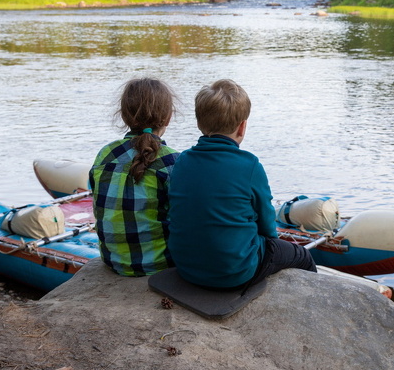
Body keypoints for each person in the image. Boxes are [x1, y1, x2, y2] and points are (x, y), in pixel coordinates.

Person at [167, 79, 316, 290]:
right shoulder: (250, 166)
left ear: (200, 123)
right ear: (242, 126)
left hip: (186, 267)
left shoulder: (182, 161)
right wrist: (272, 244)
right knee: (302, 255)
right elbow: (266, 223)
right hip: (235, 272)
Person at [89, 77, 179, 277]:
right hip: (162, 264)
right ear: (168, 117)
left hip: (113, 261)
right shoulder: (172, 161)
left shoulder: (105, 154)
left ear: (124, 116)